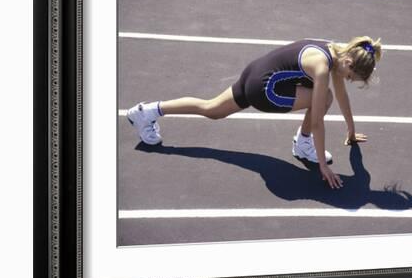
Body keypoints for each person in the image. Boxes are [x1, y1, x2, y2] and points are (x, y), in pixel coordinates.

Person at [127, 36, 382, 189]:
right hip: (265, 90)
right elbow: (317, 120)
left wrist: (350, 130)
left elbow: (342, 96)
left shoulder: (335, 50)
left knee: (212, 109)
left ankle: (148, 111)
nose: (346, 80)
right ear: (349, 63)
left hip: (255, 72)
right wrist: (323, 167)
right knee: (322, 96)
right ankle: (302, 145)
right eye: (350, 76)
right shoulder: (323, 67)